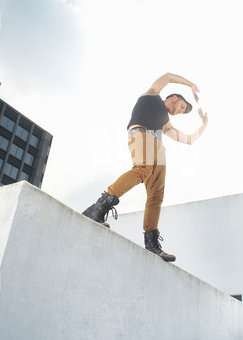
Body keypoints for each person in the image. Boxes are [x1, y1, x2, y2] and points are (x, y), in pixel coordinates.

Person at [82, 73, 208, 262]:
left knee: (157, 195)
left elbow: (188, 140)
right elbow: (168, 76)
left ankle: (151, 242)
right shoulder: (152, 94)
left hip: (158, 148)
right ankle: (98, 207)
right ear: (174, 98)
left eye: (183, 111)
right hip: (141, 134)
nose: (180, 111)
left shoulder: (166, 124)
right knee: (143, 169)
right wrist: (190, 84)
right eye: (181, 107)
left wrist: (204, 125)